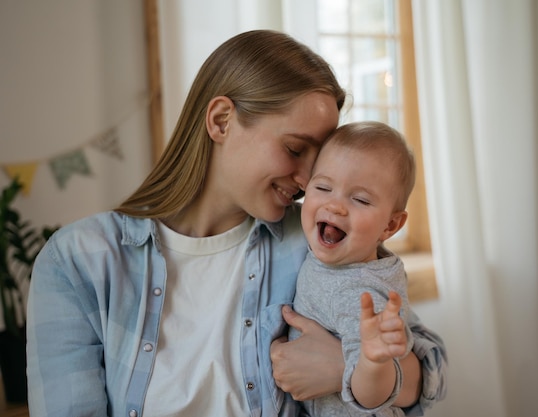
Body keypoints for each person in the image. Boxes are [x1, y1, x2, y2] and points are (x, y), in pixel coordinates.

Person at [26, 30, 447, 417]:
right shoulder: (78, 262)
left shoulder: (314, 245)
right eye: (295, 148)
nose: (306, 182)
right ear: (222, 120)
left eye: (316, 164)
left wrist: (344, 367)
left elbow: (428, 370)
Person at [290, 121, 421, 417]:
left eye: (360, 199)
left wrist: (374, 364)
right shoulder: (343, 255)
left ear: (390, 225)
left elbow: (373, 397)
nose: (335, 206)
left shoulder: (361, 296)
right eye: (323, 187)